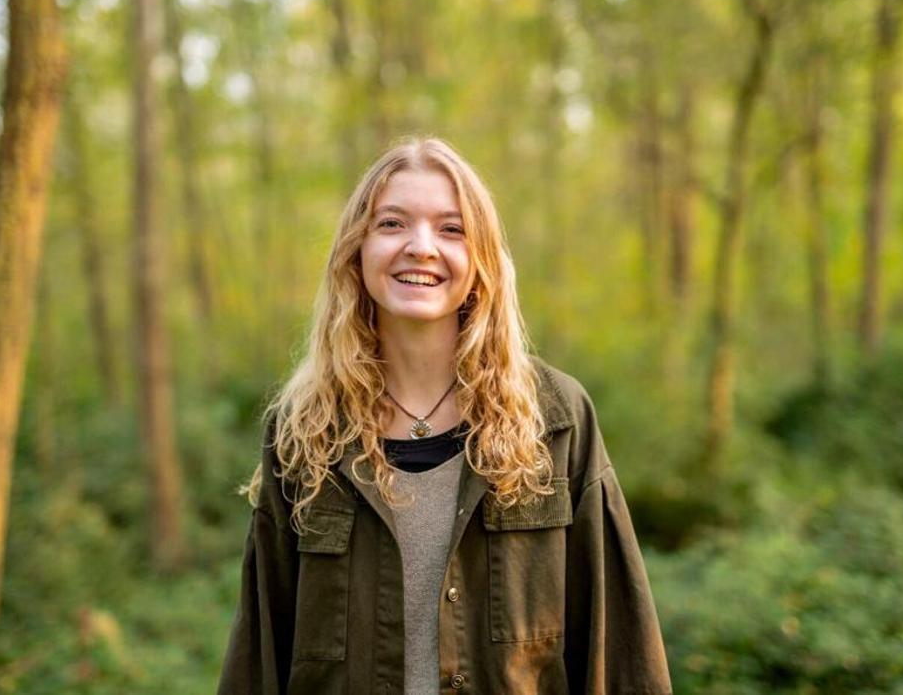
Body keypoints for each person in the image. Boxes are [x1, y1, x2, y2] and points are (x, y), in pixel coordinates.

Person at [217, 137, 671, 694]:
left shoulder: (555, 420)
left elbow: (616, 641)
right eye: (392, 224)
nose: (421, 247)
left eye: (451, 229)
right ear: (356, 252)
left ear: (480, 261)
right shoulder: (304, 431)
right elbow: (261, 652)